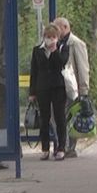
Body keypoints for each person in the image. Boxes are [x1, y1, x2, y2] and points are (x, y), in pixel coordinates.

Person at [28, 23, 70, 161]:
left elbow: (61, 63)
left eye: (53, 37)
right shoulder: (37, 50)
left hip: (58, 87)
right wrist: (32, 92)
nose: (50, 39)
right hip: (42, 87)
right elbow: (34, 71)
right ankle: (45, 148)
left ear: (57, 38)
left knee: (59, 117)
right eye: (48, 37)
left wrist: (54, 51)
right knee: (44, 118)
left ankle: (61, 148)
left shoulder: (63, 48)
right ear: (43, 37)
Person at [55, 17, 89, 157]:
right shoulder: (57, 43)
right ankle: (62, 145)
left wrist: (84, 90)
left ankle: (70, 147)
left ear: (64, 27)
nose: (55, 32)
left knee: (70, 116)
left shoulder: (76, 43)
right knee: (59, 117)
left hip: (72, 88)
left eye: (57, 28)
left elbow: (82, 67)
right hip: (58, 87)